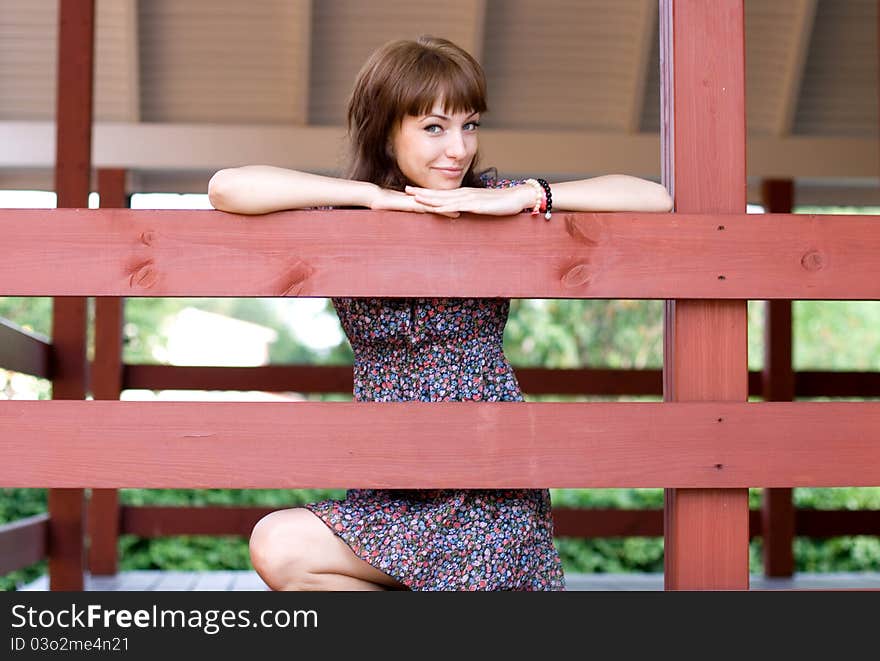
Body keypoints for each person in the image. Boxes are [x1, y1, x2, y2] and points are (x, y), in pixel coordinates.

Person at [208, 36, 672, 591]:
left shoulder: (490, 199)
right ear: (385, 129)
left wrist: (528, 196)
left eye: (468, 126)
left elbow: (655, 199)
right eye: (433, 128)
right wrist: (373, 198)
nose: (457, 149)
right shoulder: (347, 211)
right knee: (278, 545)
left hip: (487, 479)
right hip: (389, 484)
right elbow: (226, 187)